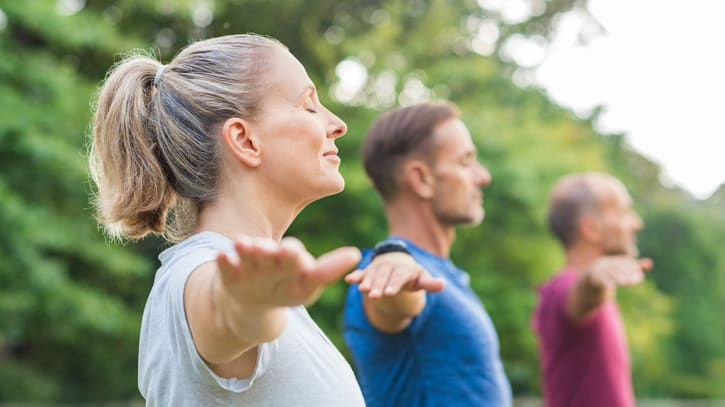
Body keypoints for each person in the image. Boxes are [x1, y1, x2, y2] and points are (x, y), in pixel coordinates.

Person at [89, 34, 366, 406]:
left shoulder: (255, 285)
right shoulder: (199, 274)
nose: (338, 124)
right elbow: (223, 311)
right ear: (245, 141)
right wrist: (248, 304)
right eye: (308, 105)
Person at [343, 101, 512, 406]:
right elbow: (394, 299)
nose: (482, 176)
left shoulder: (441, 273)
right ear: (422, 179)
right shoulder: (388, 273)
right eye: (465, 162)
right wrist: (396, 263)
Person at [533, 172, 653, 407]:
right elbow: (580, 294)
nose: (637, 223)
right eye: (624, 211)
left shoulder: (599, 298)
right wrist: (593, 276)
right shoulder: (561, 288)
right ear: (592, 228)